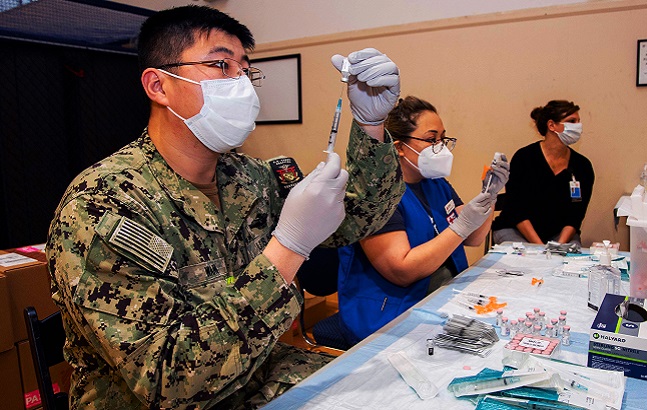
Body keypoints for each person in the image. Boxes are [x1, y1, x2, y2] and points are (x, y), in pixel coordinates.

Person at [45, 5, 405, 409]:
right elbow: (169, 381)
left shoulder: (249, 177)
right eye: (220, 64)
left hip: (259, 379)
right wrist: (287, 249)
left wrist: (371, 125)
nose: (241, 83)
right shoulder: (104, 204)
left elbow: (359, 218)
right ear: (158, 86)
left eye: (245, 69)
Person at [336, 96, 509, 346]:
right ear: (398, 147)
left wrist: (490, 196)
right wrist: (460, 227)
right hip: (391, 314)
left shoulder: (435, 183)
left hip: (444, 295)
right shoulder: (375, 195)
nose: (440, 147)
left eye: (442, 139)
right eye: (431, 139)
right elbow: (401, 271)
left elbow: (473, 237)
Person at [492, 100, 595, 247]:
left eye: (579, 121)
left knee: (568, 259)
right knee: (526, 262)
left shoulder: (582, 166)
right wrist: (540, 248)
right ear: (551, 125)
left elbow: (575, 216)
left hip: (558, 234)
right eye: (571, 121)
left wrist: (558, 247)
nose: (578, 126)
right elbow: (517, 211)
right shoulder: (524, 158)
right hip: (516, 229)